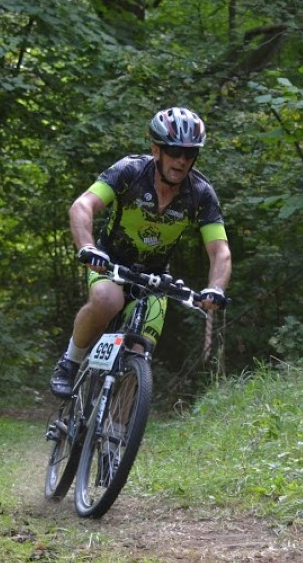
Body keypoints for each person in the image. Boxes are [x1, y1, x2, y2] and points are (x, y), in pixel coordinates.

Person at [49, 106, 232, 399]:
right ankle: (70, 362)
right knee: (107, 300)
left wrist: (216, 288)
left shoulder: (200, 193)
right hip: (110, 263)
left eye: (189, 154)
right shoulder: (130, 171)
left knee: (140, 353)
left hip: (155, 278)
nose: (181, 160)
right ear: (156, 149)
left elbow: (219, 250)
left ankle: (119, 425)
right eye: (174, 151)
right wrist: (88, 248)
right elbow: (83, 206)